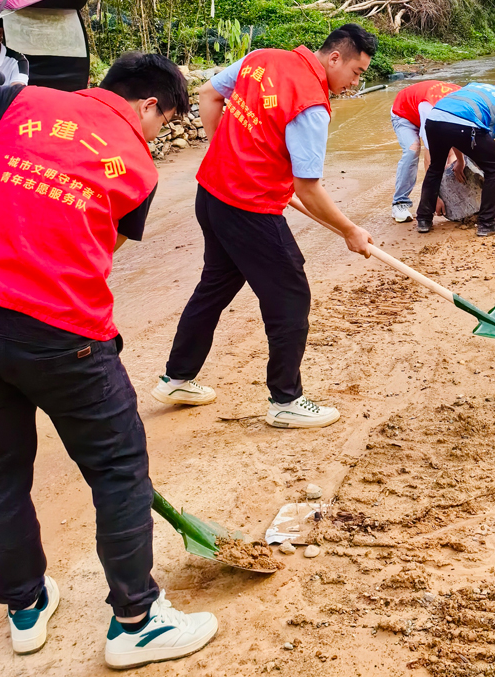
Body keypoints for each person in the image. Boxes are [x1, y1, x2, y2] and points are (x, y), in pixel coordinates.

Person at [0, 52, 218, 669]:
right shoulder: (140, 168)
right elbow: (107, 240)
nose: (156, 135)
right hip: (64, 332)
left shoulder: (24, 101)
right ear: (150, 105)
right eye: (162, 120)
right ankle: (137, 622)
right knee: (119, 467)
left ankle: (25, 605)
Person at [150, 24, 376, 430]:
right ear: (335, 58)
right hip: (248, 208)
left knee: (214, 285)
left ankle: (177, 379)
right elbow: (308, 189)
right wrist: (349, 229)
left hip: (212, 194)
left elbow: (209, 94)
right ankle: (286, 401)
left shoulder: (264, 57)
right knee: (291, 295)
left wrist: (226, 153)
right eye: (357, 72)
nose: (356, 82)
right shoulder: (311, 105)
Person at [415, 73, 495, 237]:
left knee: (435, 167)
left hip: (434, 119)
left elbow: (453, 125)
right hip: (462, 123)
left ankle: (424, 220)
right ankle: (487, 223)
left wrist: (460, 160)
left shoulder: (475, 86)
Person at [388, 79, 460, 223]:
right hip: (404, 113)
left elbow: (453, 153)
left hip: (425, 105)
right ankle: (400, 203)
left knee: (453, 149)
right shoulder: (430, 109)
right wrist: (435, 196)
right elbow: (431, 159)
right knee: (412, 150)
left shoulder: (464, 99)